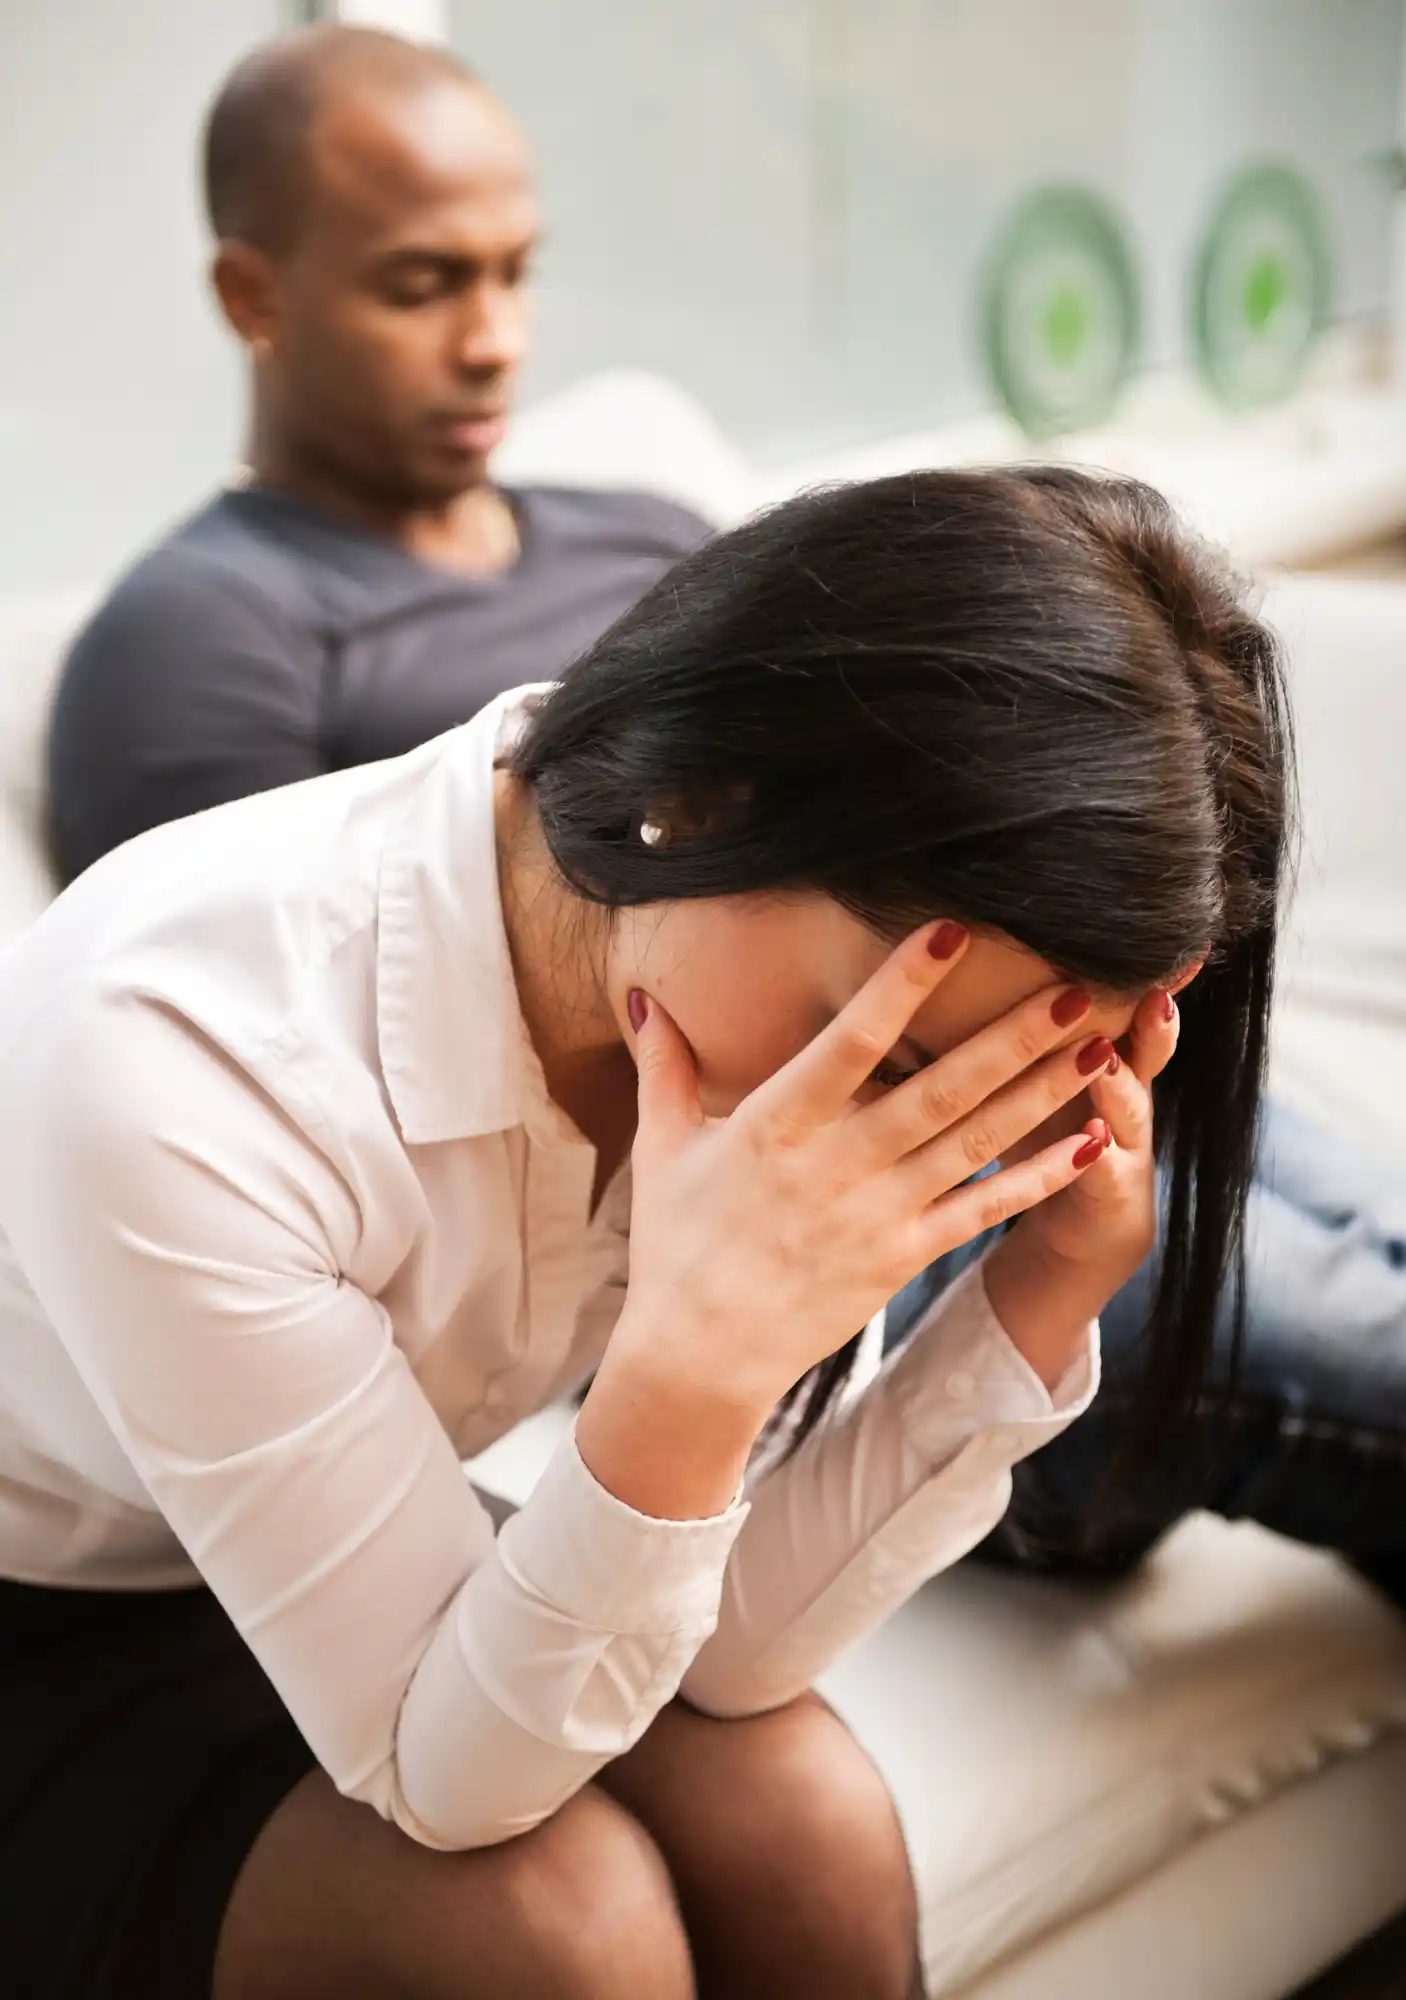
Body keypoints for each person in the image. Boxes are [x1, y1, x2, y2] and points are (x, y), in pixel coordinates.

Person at [0, 465, 1285, 1999]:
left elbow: (728, 1654)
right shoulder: (179, 1060)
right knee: (554, 1925)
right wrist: (691, 1362)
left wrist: (1039, 1289)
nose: (884, 1138)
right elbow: (457, 1787)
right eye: (874, 1051)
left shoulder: (693, 943)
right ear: (704, 802)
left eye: (963, 1081)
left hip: (260, 1527)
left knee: (804, 1817)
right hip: (38, 1616)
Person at [47, 26, 711, 886]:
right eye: (422, 287)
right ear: (252, 297)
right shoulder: (197, 636)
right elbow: (258, 1009)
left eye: (514, 274)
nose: (495, 342)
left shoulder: (656, 533)